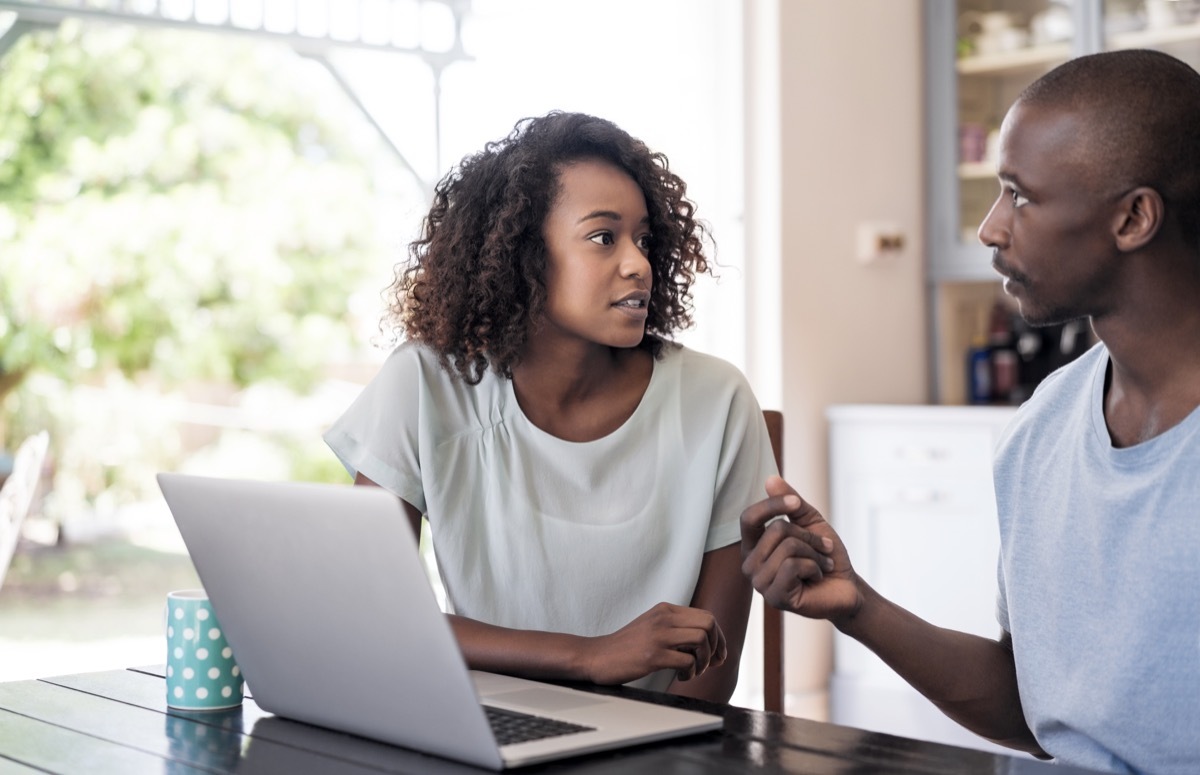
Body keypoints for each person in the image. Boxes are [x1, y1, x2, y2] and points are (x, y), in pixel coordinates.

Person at [739, 49, 1200, 775]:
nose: (990, 228)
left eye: (1020, 195)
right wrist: (858, 607)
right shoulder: (1043, 428)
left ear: (1134, 217)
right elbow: (1038, 709)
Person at [325, 111, 777, 704]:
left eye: (644, 238)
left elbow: (711, 677)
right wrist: (588, 655)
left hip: (658, 744)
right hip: (483, 726)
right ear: (523, 256)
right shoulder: (427, 383)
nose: (638, 262)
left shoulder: (717, 401)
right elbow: (373, 613)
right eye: (603, 236)